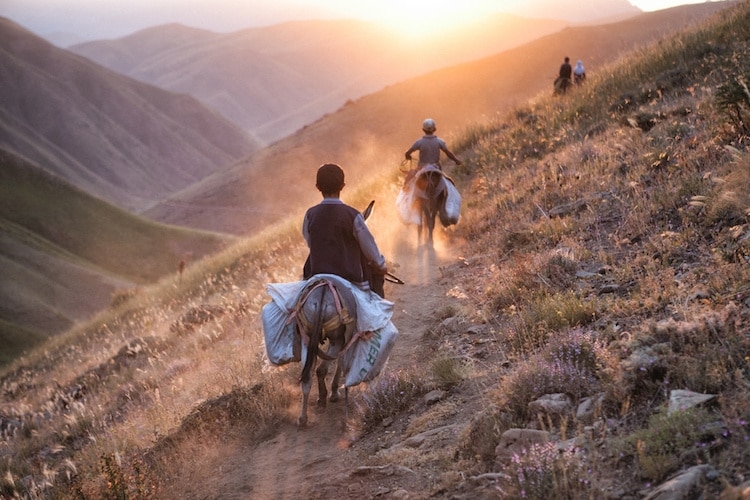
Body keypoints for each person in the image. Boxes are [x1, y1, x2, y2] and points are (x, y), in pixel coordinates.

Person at [302, 163, 388, 297]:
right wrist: (380, 265)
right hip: (349, 278)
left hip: (316, 275)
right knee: (376, 306)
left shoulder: (310, 214)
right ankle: (381, 315)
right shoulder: (353, 215)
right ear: (342, 186)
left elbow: (309, 241)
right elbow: (368, 245)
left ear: (318, 187)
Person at [403, 118, 461, 185]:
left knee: (408, 181)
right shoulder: (439, 142)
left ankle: (405, 190)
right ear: (435, 129)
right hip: (436, 168)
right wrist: (456, 160)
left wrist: (408, 156)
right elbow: (448, 153)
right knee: (450, 183)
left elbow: (407, 153)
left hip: (421, 168)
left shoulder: (419, 142)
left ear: (423, 130)